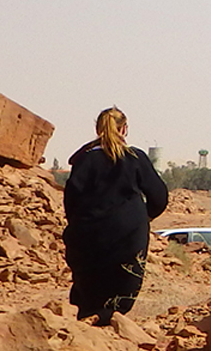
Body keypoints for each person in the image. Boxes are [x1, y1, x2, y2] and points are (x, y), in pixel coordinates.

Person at [61, 107, 168, 325]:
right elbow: (159, 197)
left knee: (88, 290)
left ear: (97, 129)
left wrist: (80, 226)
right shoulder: (135, 158)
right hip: (128, 237)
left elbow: (71, 200)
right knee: (122, 290)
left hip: (89, 238)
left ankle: (88, 323)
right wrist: (141, 219)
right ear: (125, 129)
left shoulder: (84, 160)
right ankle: (109, 322)